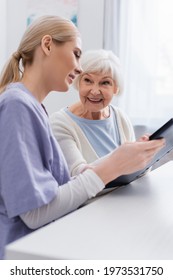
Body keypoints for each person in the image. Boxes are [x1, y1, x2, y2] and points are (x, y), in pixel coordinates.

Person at [0, 16, 164, 259]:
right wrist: (111, 167)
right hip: (24, 257)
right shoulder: (17, 106)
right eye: (76, 54)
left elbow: (58, 187)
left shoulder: (31, 106)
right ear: (47, 45)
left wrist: (122, 159)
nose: (79, 67)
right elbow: (34, 214)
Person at [50, 49, 143, 176]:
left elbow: (136, 171)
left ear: (115, 88)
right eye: (88, 80)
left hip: (125, 195)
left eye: (105, 83)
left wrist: (144, 156)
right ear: (78, 82)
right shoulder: (60, 123)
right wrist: (123, 157)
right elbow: (79, 175)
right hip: (93, 196)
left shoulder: (120, 117)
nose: (94, 91)